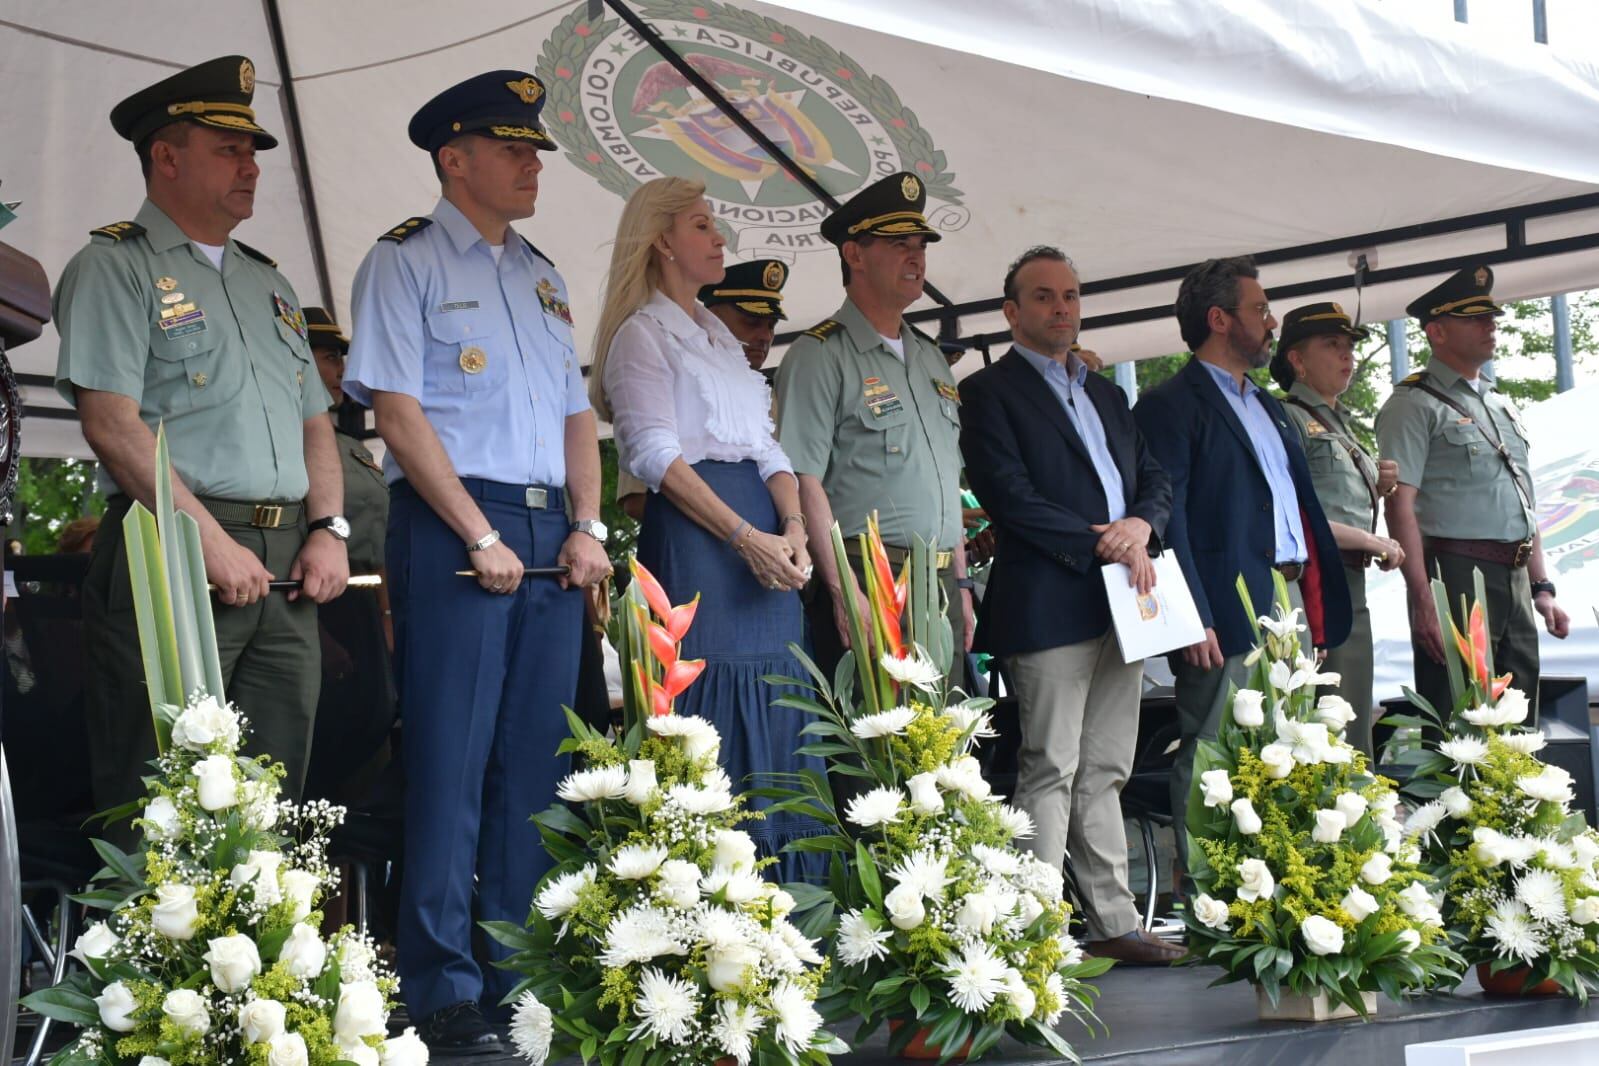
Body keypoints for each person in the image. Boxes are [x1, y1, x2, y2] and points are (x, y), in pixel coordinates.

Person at [342, 70, 611, 1054]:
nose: (531, 161)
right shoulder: (402, 261)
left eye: (533, 146)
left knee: (531, 769)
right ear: (453, 160)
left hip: (549, 531)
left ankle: (516, 981)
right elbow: (398, 413)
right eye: (511, 147)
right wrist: (477, 532)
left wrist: (591, 525)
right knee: (451, 764)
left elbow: (578, 412)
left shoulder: (543, 271)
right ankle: (446, 991)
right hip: (461, 521)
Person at [53, 56, 348, 821]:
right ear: (167, 156)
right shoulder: (114, 266)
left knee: (270, 802)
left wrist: (329, 529)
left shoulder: (271, 284)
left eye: (252, 152)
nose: (251, 167)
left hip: (288, 565)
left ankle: (260, 946)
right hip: (173, 549)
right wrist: (207, 543)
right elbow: (112, 426)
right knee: (166, 801)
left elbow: (316, 421)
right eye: (229, 149)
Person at [593, 177, 824, 881]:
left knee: (782, 697)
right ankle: (722, 896)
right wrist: (743, 537)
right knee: (707, 704)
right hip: (701, 539)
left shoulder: (719, 336)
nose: (719, 238)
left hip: (761, 530)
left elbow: (770, 450)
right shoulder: (641, 336)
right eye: (701, 226)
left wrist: (791, 529)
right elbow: (654, 455)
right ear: (661, 239)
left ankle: (797, 900)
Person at [958, 247, 1179, 963]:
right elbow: (1007, 495)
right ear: (1011, 312)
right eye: (1044, 296)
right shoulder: (988, 392)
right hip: (1049, 599)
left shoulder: (1107, 393)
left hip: (1125, 599)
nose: (1061, 307)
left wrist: (1140, 526)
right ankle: (1034, 928)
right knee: (1048, 764)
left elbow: (1153, 479)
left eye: (1071, 295)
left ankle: (1114, 922)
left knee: (1106, 765)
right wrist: (1105, 542)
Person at [1133, 256, 1350, 882]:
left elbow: (1294, 510)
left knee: (1289, 745)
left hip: (1283, 593)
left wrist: (1311, 606)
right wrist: (1194, 616)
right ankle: (1209, 898)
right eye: (1260, 309)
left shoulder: (1272, 407)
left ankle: (1279, 891)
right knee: (1213, 750)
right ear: (1220, 318)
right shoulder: (1170, 405)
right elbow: (1166, 520)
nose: (1272, 320)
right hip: (1222, 607)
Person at [776, 172, 973, 687]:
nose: (917, 257)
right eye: (898, 244)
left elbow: (944, 481)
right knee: (880, 745)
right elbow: (802, 478)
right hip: (872, 572)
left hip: (942, 577)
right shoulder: (820, 355)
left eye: (920, 245)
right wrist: (844, 590)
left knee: (944, 751)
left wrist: (963, 585)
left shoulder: (932, 357)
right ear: (854, 255)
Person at [1376, 265, 1569, 719]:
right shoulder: (1412, 404)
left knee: (1520, 725)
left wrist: (1542, 586)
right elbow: (1399, 506)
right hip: (1457, 573)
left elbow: (1523, 497)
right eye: (1474, 318)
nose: (1491, 325)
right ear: (1437, 331)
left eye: (1491, 317)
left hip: (1516, 576)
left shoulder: (1500, 403)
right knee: (1457, 726)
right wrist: (1422, 597)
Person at [1269, 303, 1404, 758]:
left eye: (1349, 346)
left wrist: (1378, 488)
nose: (1347, 356)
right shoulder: (1286, 417)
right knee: (1329, 724)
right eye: (1332, 345)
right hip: (1314, 585)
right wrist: (1369, 539)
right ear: (1296, 359)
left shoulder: (1339, 421)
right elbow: (1292, 515)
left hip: (1349, 581)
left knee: (1352, 720)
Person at [301, 306, 395, 804]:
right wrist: (319, 635)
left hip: (364, 606)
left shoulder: (352, 446)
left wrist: (385, 617)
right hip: (315, 603)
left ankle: (353, 879)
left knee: (370, 748)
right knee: (318, 759)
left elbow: (379, 534)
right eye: (329, 356)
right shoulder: (283, 437)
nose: (340, 369)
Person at [616, 256, 789, 521]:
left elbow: (774, 469)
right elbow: (636, 498)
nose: (765, 336)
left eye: (771, 326)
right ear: (713, 318)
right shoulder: (675, 374)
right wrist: (733, 530)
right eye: (752, 321)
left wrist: (793, 525)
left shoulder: (762, 391)